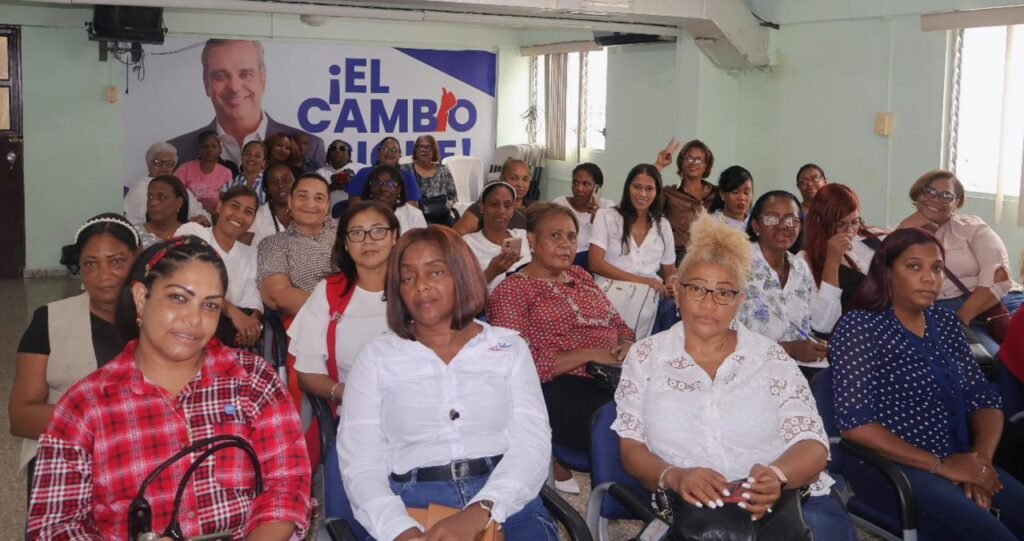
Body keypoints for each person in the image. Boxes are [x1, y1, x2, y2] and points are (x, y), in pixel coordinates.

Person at [26, 236, 311, 540]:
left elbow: (287, 487)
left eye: (210, 305)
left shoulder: (252, 380)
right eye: (178, 298)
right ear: (140, 297)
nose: (193, 319)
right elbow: (53, 528)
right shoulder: (85, 405)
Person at [614, 213, 857, 541]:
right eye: (697, 288)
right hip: (692, 510)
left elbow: (813, 445)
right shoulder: (645, 358)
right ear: (678, 290)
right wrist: (675, 476)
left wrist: (777, 476)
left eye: (724, 293)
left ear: (740, 301)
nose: (708, 303)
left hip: (786, 503)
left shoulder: (770, 357)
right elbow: (631, 449)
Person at [338, 226, 557, 541]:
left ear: (462, 275)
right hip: (410, 499)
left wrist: (483, 509)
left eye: (435, 272)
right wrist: (398, 529)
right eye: (407, 278)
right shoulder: (376, 357)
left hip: (503, 494)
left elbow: (532, 445)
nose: (421, 287)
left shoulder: (509, 348)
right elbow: (359, 462)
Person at [831, 228, 1024, 540]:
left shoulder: (945, 323)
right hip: (895, 470)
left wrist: (980, 463)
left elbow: (983, 397)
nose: (929, 277)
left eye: (936, 268)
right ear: (887, 273)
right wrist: (944, 467)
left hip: (962, 458)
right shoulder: (861, 327)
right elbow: (857, 424)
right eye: (913, 267)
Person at [488, 202, 634, 494]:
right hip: (558, 387)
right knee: (628, 424)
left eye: (571, 236)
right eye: (555, 236)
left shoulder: (581, 278)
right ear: (532, 240)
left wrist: (627, 344)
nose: (566, 244)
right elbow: (514, 368)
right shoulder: (512, 291)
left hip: (616, 375)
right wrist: (591, 354)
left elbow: (621, 326)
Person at [10, 214, 139, 484]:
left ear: (137, 259)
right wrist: (115, 422)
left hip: (142, 458)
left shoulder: (161, 321)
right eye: (90, 264)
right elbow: (21, 417)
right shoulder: (50, 320)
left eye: (116, 261)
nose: (103, 275)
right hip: (64, 458)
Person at [898, 169, 1023, 355]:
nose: (935, 199)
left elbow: (998, 275)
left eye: (946, 195)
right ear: (918, 194)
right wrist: (906, 228)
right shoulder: (896, 234)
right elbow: (887, 278)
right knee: (996, 361)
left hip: (1002, 300)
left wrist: (961, 318)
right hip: (945, 309)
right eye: (928, 192)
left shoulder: (971, 227)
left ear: (956, 203)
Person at [290, 201, 398, 412]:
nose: (368, 241)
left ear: (394, 237)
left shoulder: (413, 287)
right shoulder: (329, 292)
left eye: (377, 231)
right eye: (357, 233)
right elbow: (306, 374)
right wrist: (350, 394)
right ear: (346, 244)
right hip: (355, 413)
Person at [167, 39, 324, 167]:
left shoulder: (310, 146)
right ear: (206, 83)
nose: (234, 87)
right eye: (220, 76)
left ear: (263, 79)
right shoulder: (177, 150)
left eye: (245, 74)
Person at [736, 190, 831, 365]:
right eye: (772, 218)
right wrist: (790, 349)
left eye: (791, 220)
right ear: (756, 226)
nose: (783, 226)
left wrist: (812, 344)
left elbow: (802, 326)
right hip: (749, 368)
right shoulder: (737, 265)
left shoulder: (800, 268)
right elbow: (726, 339)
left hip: (796, 369)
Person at [589, 164, 676, 338]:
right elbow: (595, 263)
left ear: (657, 192)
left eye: (649, 188)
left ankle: (638, 356)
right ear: (628, 187)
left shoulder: (663, 225)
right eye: (637, 187)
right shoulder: (606, 216)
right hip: (609, 289)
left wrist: (672, 283)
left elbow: (670, 271)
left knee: (660, 311)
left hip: (649, 295)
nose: (642, 194)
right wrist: (643, 281)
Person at [175, 186, 263, 348]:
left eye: (248, 212)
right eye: (234, 206)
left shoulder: (251, 254)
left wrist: (251, 325)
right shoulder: (194, 233)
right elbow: (187, 283)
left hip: (228, 331)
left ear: (253, 220)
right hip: (188, 320)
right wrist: (232, 312)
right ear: (220, 206)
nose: (239, 215)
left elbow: (252, 298)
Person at [801, 183, 887, 334]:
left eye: (855, 222)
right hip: (852, 336)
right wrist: (832, 262)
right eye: (840, 224)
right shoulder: (804, 261)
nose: (850, 231)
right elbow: (822, 325)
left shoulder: (871, 236)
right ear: (821, 222)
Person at [257, 173, 337, 317]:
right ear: (289, 201)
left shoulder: (349, 233)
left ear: (327, 206)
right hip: (314, 322)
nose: (310, 204)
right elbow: (278, 295)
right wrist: (339, 312)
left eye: (319, 198)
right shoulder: (274, 244)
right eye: (302, 196)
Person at [654, 138, 717, 263]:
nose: (693, 163)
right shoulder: (669, 193)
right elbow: (647, 194)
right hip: (678, 256)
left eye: (699, 159)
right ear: (681, 163)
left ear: (706, 165)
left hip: (710, 255)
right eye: (689, 158)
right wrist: (659, 166)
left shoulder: (717, 193)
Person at [462, 181, 531, 291]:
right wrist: (491, 273)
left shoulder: (523, 236)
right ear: (482, 207)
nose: (501, 211)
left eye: (507, 206)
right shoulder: (467, 244)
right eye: (494, 204)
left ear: (513, 210)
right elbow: (463, 294)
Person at [124, 142, 210, 226]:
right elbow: (142, 223)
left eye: (169, 163)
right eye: (158, 162)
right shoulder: (140, 189)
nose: (164, 167)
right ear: (149, 164)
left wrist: (202, 219)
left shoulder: (178, 187)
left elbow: (201, 213)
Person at [552, 162, 615, 268]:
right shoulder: (560, 205)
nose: (579, 189)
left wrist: (599, 220)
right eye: (575, 183)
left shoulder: (607, 207)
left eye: (586, 184)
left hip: (598, 262)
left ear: (597, 188)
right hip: (568, 260)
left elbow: (614, 244)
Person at [453, 158, 532, 234]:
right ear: (502, 179)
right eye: (514, 178)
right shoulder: (486, 207)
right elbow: (456, 235)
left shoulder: (532, 209)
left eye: (525, 179)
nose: (520, 184)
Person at [345, 137, 422, 206]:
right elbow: (354, 205)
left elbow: (413, 208)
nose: (389, 153)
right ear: (378, 153)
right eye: (385, 149)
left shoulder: (407, 177)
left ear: (399, 155)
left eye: (394, 150)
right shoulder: (364, 173)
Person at [173, 130, 234, 214]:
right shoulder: (185, 168)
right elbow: (175, 194)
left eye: (214, 146)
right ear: (199, 150)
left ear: (220, 150)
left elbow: (227, 200)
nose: (210, 149)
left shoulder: (226, 173)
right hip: (188, 214)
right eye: (205, 146)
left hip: (215, 216)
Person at [363, 165, 427, 235]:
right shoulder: (360, 214)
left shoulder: (414, 215)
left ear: (399, 189)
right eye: (377, 183)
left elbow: (423, 244)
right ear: (370, 187)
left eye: (390, 184)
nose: (383, 188)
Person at [249, 162, 296, 248]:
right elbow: (242, 249)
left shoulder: (308, 213)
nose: (280, 185)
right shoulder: (257, 215)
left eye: (285, 180)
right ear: (267, 188)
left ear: (295, 182)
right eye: (273, 182)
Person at [138, 175, 190, 248]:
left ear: (179, 203)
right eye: (150, 197)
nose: (153, 203)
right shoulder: (134, 235)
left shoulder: (191, 233)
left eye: (162, 197)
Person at [403, 134, 458, 204]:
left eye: (428, 147)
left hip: (441, 213)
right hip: (412, 212)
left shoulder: (443, 171)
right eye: (420, 147)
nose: (424, 150)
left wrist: (445, 207)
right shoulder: (405, 170)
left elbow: (453, 197)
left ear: (434, 151)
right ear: (415, 150)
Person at [317, 139, 365, 212]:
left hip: (355, 212)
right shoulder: (321, 172)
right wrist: (332, 187)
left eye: (342, 148)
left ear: (348, 154)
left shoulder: (360, 169)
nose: (337, 151)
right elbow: (316, 195)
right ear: (329, 154)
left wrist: (353, 183)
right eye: (333, 148)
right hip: (328, 213)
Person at [221, 140, 267, 205]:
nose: (251, 158)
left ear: (264, 162)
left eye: (257, 156)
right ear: (242, 157)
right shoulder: (229, 186)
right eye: (248, 154)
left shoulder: (269, 183)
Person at [710, 165, 753, 230]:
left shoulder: (756, 223)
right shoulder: (711, 225)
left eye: (746, 193)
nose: (742, 198)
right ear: (722, 194)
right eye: (735, 192)